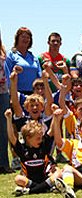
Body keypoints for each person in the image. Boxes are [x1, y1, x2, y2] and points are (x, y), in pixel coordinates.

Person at [5, 108, 61, 196]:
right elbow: (12, 137)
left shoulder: (43, 145)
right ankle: (46, 187)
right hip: (29, 180)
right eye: (38, 138)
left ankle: (31, 191)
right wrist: (8, 119)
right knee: (18, 179)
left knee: (58, 172)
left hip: (44, 178)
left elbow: (51, 130)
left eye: (41, 137)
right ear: (28, 138)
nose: (41, 140)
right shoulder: (22, 149)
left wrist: (54, 116)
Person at [4, 27, 42, 94]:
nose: (26, 39)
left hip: (33, 95)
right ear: (17, 38)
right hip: (16, 94)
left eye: (28, 37)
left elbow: (39, 77)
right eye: (23, 37)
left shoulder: (33, 58)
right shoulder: (10, 55)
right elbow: (7, 76)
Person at [0, 31, 13, 174]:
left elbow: (7, 74)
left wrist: (9, 92)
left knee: (3, 129)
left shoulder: (3, 52)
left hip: (3, 93)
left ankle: (3, 163)